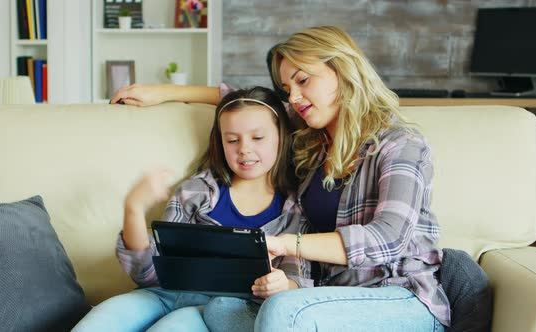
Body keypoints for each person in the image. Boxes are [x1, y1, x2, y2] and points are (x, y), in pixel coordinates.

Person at [110, 26, 492, 332]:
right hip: (328, 298)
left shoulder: (400, 144)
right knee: (222, 309)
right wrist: (164, 92)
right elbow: (248, 104)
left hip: (399, 298)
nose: (294, 96)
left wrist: (284, 244)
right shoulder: (310, 144)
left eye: (303, 80)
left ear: (342, 71)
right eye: (287, 88)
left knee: (282, 315)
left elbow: (388, 237)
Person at [73, 86, 313, 332]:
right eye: (232, 140)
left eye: (258, 138)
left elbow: (298, 282)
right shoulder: (195, 191)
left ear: (281, 137)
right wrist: (133, 208)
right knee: (100, 320)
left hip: (220, 308)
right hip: (163, 294)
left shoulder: (295, 209)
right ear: (220, 142)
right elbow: (149, 272)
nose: (244, 149)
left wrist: (283, 285)